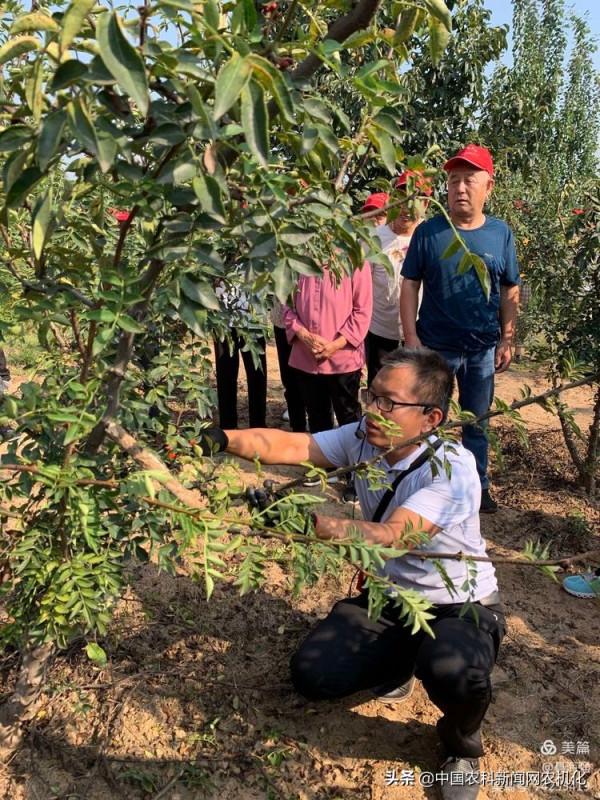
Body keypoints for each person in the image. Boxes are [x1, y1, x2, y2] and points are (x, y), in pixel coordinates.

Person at [201, 347, 505, 800]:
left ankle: (460, 743)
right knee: (314, 675)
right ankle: (401, 660)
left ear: (431, 418)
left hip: (458, 604)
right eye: (372, 396)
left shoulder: (453, 469)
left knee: (452, 670)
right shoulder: (365, 437)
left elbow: (393, 535)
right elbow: (296, 446)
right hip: (392, 597)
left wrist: (309, 524)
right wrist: (221, 438)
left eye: (389, 402)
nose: (373, 410)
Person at [400, 144, 520, 513]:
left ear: (489, 186)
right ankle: (422, 484)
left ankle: (477, 487)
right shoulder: (430, 233)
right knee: (426, 421)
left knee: (477, 423)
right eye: (454, 180)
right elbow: (409, 285)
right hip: (435, 348)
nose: (460, 188)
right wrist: (412, 338)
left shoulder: (500, 234)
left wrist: (507, 338)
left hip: (482, 350)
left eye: (470, 180)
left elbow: (509, 288)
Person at [282, 263, 372, 436]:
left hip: (343, 358)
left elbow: (362, 310)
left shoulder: (354, 258)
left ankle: (351, 462)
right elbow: (286, 303)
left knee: (349, 420)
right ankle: (324, 462)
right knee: (317, 419)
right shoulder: (296, 257)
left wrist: (335, 344)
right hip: (306, 355)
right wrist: (303, 334)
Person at [366, 170, 432, 385]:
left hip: (418, 332)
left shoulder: (430, 239)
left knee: (412, 390)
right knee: (380, 386)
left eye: (417, 201)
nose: (408, 209)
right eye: (404, 199)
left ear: (426, 207)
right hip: (379, 329)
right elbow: (362, 286)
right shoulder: (375, 238)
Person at [213, 275, 268, 429]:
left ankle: (258, 425)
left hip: (253, 316)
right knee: (225, 371)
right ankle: (228, 426)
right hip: (222, 317)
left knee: (257, 372)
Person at [271, 300, 307, 432]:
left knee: (315, 379)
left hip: (314, 322)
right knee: (290, 378)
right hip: (283, 321)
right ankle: (297, 425)